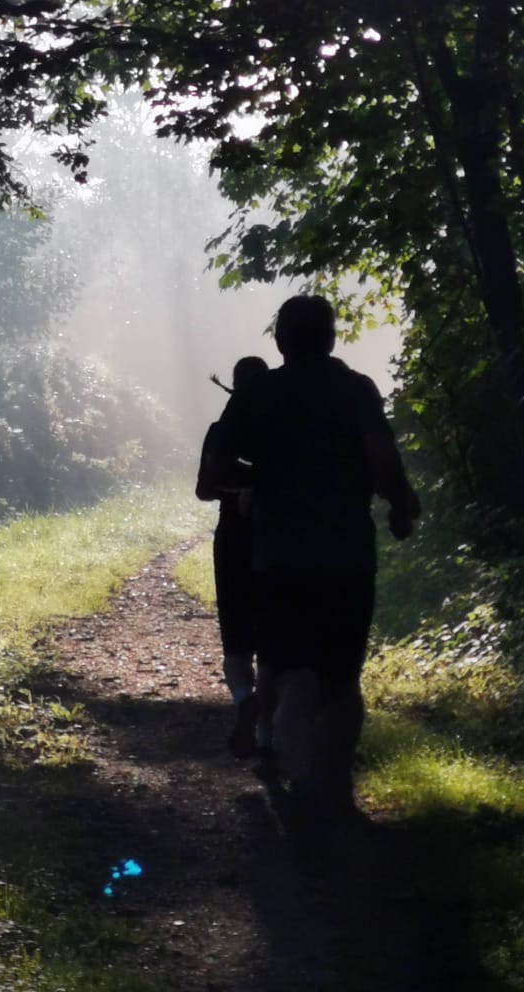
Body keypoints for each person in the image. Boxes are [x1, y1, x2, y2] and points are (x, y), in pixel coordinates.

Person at [213, 295, 420, 830]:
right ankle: (336, 787)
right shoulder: (356, 391)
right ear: (331, 338)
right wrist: (400, 504)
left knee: (294, 674)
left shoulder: (260, 395)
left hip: (277, 562)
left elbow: (215, 465)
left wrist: (264, 477)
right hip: (347, 560)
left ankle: (304, 786)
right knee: (342, 677)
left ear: (280, 341)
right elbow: (381, 459)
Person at [195, 355, 275, 760]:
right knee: (274, 636)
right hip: (277, 539)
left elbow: (203, 491)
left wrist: (235, 493)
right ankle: (267, 738)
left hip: (231, 538)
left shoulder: (220, 431)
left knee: (236, 632)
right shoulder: (284, 429)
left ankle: (245, 699)